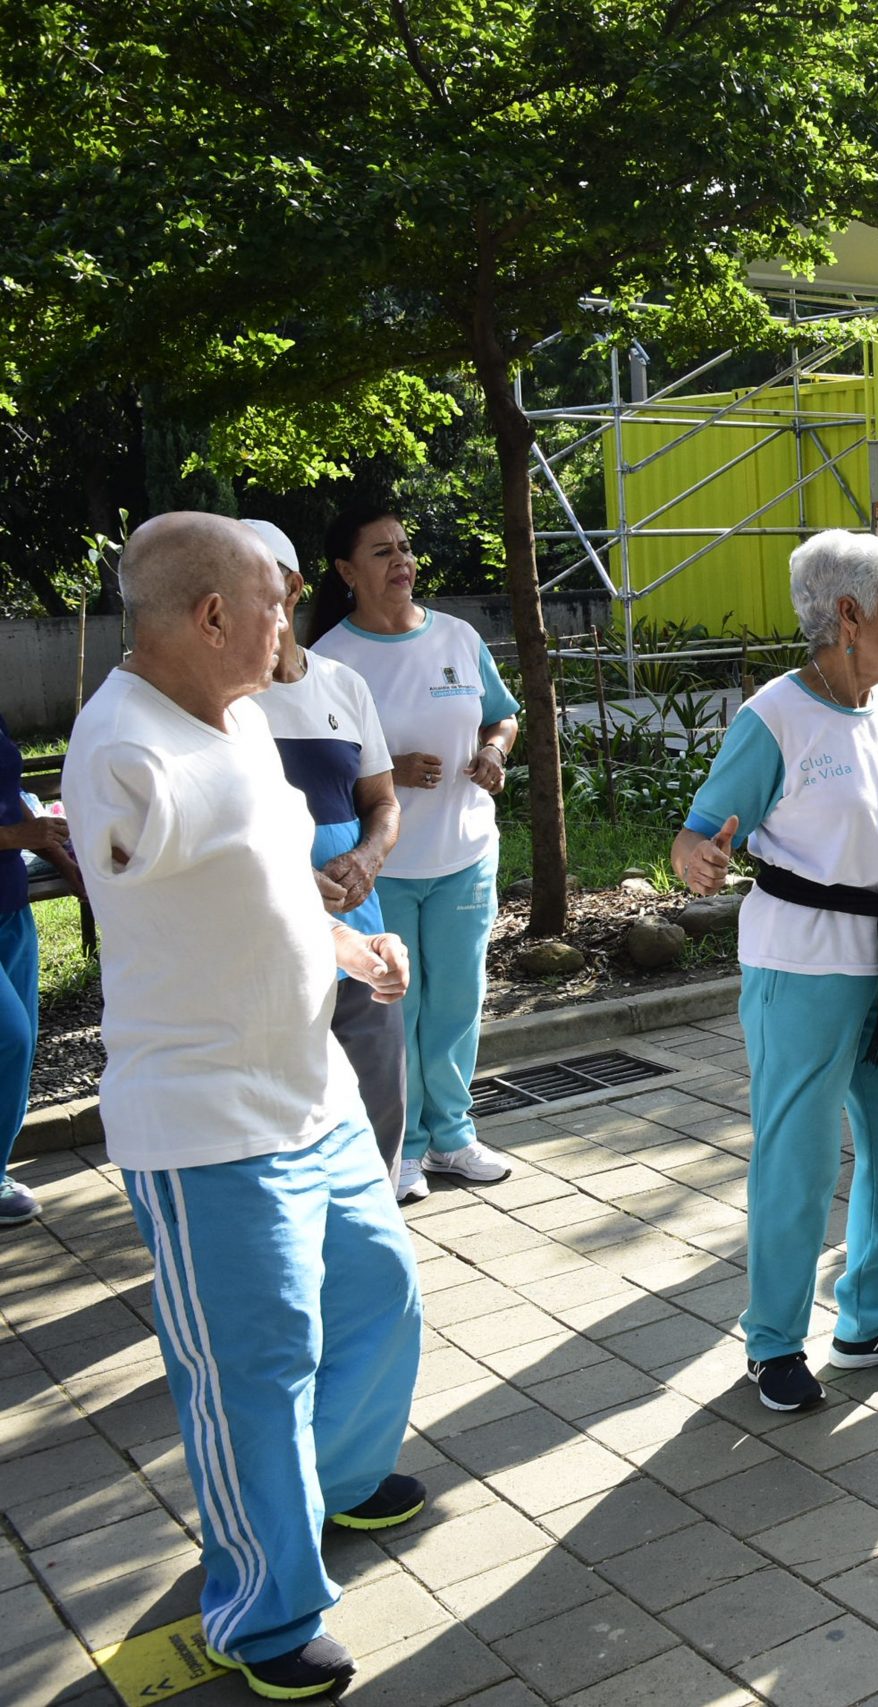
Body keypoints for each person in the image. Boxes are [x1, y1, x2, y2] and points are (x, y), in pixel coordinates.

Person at [65, 513, 425, 1700]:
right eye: (273, 599)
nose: (291, 620)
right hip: (208, 1118)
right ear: (211, 615)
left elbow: (263, 889)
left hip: (309, 1088)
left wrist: (346, 948)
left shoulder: (238, 720)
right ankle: (262, 1615)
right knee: (249, 1369)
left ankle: (336, 1480)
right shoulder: (124, 746)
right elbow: (118, 862)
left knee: (378, 1290)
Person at [675, 530, 878, 1412]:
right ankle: (773, 1342)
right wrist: (697, 859)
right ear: (849, 616)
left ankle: (873, 1318)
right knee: (800, 1159)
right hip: (803, 962)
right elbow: (697, 830)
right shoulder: (775, 715)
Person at [309, 507, 520, 1203]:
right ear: (346, 572)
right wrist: (389, 768)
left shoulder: (456, 636)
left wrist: (492, 750)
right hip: (384, 868)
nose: (401, 562)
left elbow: (501, 713)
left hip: (465, 853)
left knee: (458, 1000)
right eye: (381, 552)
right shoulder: (332, 658)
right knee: (399, 1005)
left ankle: (454, 1136)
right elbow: (324, 767)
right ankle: (400, 1150)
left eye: (404, 548)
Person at [245, 519, 409, 1174]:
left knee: (378, 1116)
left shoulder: (342, 685)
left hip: (360, 947)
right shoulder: (225, 704)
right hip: (270, 962)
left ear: (292, 588)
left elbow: (384, 803)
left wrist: (369, 856)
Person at [0, 711, 74, 1228]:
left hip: (10, 907)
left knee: (17, 1044)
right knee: (13, 1036)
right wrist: (13, 837)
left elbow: (16, 805)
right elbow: (14, 827)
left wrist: (71, 867)